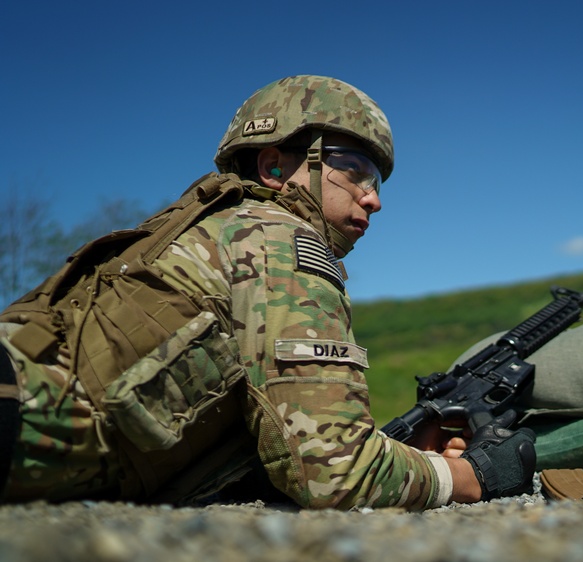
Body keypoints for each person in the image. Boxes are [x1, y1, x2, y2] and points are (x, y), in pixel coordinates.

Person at [0, 75, 536, 510]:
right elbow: (333, 473)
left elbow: (268, 448)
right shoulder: (279, 240)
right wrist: (468, 476)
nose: (374, 200)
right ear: (275, 166)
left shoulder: (216, 233)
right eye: (356, 172)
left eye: (378, 182)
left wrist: (394, 452)